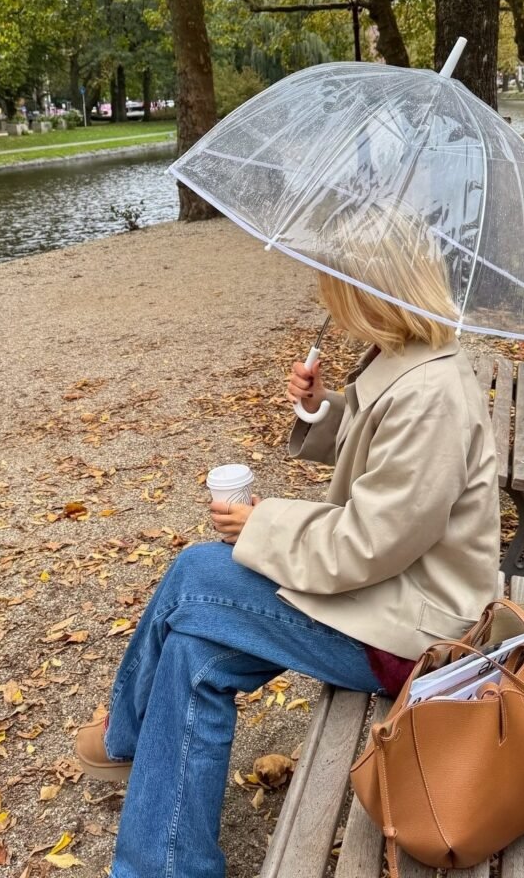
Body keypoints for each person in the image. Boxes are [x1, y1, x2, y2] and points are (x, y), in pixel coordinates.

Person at [75, 209, 500, 878]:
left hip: (413, 633)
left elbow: (370, 543)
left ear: (366, 289)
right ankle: (164, 864)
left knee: (197, 570)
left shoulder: (432, 395)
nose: (322, 295)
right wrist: (321, 409)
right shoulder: (408, 362)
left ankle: (123, 739)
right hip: (385, 599)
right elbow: (383, 464)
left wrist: (263, 525)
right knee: (194, 651)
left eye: (332, 283)